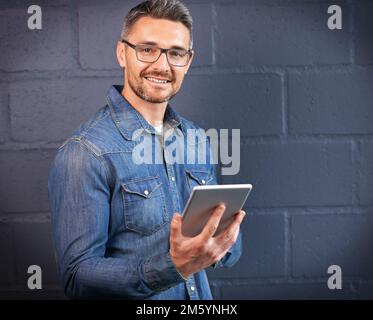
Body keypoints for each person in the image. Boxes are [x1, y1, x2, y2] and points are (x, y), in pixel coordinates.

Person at [48, 0, 245, 299]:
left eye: (176, 53)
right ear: (122, 53)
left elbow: (229, 251)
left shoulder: (195, 138)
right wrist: (172, 266)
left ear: (188, 61)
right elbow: (78, 279)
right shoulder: (85, 152)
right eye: (147, 49)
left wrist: (224, 243)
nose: (162, 66)